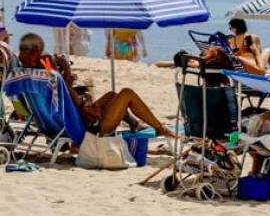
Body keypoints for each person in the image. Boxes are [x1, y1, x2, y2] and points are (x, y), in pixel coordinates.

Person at [14, 33, 175, 138]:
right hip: (87, 128)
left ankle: (134, 123)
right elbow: (73, 98)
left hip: (55, 125)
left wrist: (64, 76)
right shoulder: (49, 71)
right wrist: (67, 70)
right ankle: (160, 129)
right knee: (127, 93)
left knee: (112, 95)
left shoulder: (27, 78)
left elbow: (60, 87)